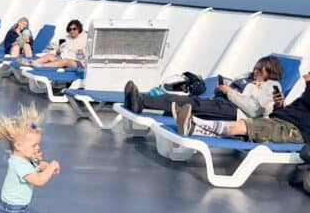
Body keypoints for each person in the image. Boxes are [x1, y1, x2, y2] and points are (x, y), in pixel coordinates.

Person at [125, 56, 284, 120]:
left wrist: (230, 92)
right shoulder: (251, 79)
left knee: (190, 104)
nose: (255, 71)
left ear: (270, 71)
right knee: (187, 100)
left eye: (259, 70)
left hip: (235, 112)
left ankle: (142, 101)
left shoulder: (272, 87)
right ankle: (141, 100)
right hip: (223, 103)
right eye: (255, 68)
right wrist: (223, 89)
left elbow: (254, 110)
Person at [175, 72, 310, 146]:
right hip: (280, 121)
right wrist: (279, 105)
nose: (306, 75)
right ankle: (194, 127)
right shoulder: (305, 96)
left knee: (241, 126)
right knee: (242, 129)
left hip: (294, 130)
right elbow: (297, 110)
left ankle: (195, 125)